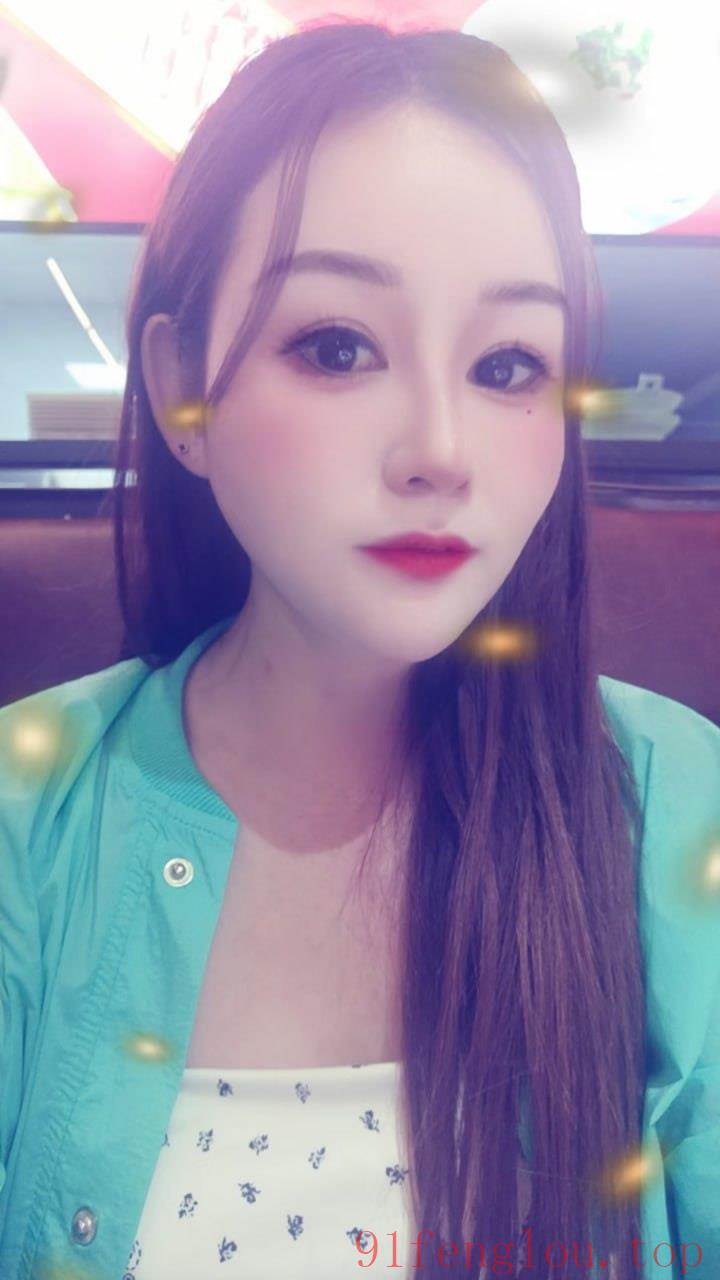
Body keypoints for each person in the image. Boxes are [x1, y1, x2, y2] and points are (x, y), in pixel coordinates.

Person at [1, 19, 719, 1280]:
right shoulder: (27, 825)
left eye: (509, 362)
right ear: (181, 391)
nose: (439, 447)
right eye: (338, 346)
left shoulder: (678, 815)